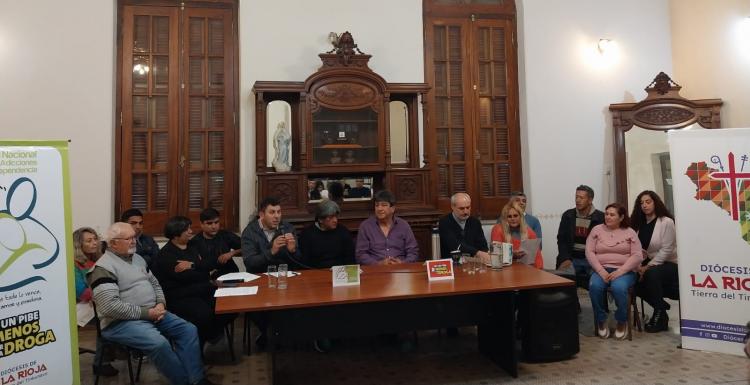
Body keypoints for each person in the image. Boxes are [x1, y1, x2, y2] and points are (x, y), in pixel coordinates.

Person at [87, 222, 214, 385]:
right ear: (113, 243)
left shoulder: (137, 259)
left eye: (134, 237)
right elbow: (110, 307)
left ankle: (197, 380)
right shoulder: (102, 268)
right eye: (128, 239)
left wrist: (160, 303)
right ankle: (184, 382)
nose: (133, 241)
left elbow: (155, 284)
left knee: (188, 330)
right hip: (120, 323)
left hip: (154, 313)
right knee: (159, 343)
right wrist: (148, 313)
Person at [152, 216, 234, 346]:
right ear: (175, 234)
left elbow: (212, 261)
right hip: (182, 296)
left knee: (231, 306)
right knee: (204, 315)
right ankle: (202, 343)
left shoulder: (194, 245)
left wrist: (193, 265)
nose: (191, 231)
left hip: (203, 289)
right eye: (187, 229)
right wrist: (203, 270)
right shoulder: (166, 255)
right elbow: (187, 277)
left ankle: (211, 335)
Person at [586, 203, 642, 340]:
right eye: (606, 214)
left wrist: (621, 271)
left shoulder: (630, 232)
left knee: (618, 287)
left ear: (621, 217)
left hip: (625, 271)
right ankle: (601, 319)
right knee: (594, 286)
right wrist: (600, 270)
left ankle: (622, 321)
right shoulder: (596, 230)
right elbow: (589, 252)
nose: (608, 217)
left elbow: (637, 255)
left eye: (612, 215)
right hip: (602, 270)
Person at [630, 190, 678, 333]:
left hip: (669, 263)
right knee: (631, 279)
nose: (644, 205)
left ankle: (658, 313)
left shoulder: (666, 222)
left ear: (655, 202)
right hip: (647, 263)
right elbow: (636, 249)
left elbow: (667, 249)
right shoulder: (638, 223)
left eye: (648, 202)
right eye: (641, 203)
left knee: (651, 275)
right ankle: (661, 308)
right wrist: (638, 266)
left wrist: (648, 267)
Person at [73, 227, 117, 377]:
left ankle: (105, 359)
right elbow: (81, 292)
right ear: (79, 244)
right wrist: (101, 294)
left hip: (98, 302)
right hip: (79, 305)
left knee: (110, 315)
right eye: (89, 240)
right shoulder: (74, 263)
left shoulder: (101, 260)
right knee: (106, 318)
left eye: (95, 239)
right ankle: (102, 361)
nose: (94, 243)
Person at [356, 190, 419, 265]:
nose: (379, 209)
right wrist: (379, 264)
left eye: (384, 205)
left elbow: (413, 251)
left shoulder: (403, 225)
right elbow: (361, 254)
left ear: (392, 209)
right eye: (377, 205)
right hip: (375, 270)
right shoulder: (366, 226)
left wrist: (403, 263)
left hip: (401, 269)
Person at [241, 196, 301, 273]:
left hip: (283, 276)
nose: (277, 216)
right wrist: (272, 251)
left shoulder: (288, 228)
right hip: (259, 277)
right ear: (262, 215)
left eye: (279, 212)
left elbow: (299, 260)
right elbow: (250, 263)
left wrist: (293, 251)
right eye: (272, 212)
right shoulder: (250, 232)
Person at [556, 185, 605, 280]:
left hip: (592, 260)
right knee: (565, 280)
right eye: (576, 197)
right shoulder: (568, 215)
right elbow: (561, 240)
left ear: (590, 200)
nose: (577, 200)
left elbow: (603, 243)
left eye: (581, 198)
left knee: (597, 281)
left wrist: (596, 261)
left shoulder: (601, 217)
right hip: (571, 258)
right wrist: (565, 258)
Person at [299, 200, 355, 268]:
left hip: (340, 273)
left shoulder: (343, 231)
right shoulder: (307, 234)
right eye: (331, 217)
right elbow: (305, 262)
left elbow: (350, 258)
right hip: (316, 273)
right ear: (320, 219)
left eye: (336, 216)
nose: (335, 220)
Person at [189, 208, 241, 280]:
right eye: (209, 223)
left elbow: (248, 248)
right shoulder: (195, 241)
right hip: (208, 279)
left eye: (216, 222)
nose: (214, 227)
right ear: (201, 224)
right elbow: (193, 265)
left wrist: (232, 253)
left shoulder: (225, 235)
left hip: (231, 275)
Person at [438, 192, 489, 262]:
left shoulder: (475, 222)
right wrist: (477, 253)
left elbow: (483, 246)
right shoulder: (444, 222)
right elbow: (454, 245)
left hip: (474, 263)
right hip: (452, 263)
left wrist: (484, 255)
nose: (466, 212)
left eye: (468, 207)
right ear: (452, 207)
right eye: (461, 208)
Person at [490, 201, 543, 269]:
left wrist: (539, 272)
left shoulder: (529, 232)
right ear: (505, 218)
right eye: (509, 216)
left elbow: (537, 258)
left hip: (526, 270)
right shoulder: (498, 229)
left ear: (520, 217)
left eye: (515, 215)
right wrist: (512, 255)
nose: (513, 219)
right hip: (505, 270)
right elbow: (495, 257)